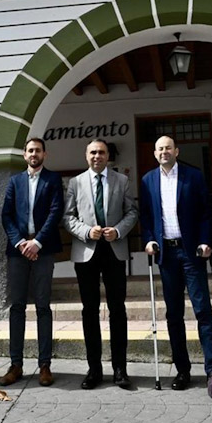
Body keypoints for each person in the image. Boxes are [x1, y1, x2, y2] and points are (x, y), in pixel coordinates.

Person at [140, 135, 212, 402]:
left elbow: (206, 212)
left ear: (176, 151)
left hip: (192, 252)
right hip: (166, 253)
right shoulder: (147, 181)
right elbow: (146, 216)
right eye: (159, 148)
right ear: (154, 153)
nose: (164, 151)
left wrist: (206, 241)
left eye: (168, 147)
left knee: (203, 310)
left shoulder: (194, 176)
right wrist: (148, 240)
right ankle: (182, 370)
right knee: (174, 315)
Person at [63, 138, 138, 389]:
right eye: (93, 152)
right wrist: (85, 231)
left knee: (118, 310)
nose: (97, 156)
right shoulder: (75, 183)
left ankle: (120, 369)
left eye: (102, 152)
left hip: (114, 251)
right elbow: (68, 216)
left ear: (108, 156)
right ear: (86, 156)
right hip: (87, 252)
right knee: (89, 311)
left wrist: (118, 231)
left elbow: (132, 212)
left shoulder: (122, 181)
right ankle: (94, 368)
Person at [0, 137, 64, 387]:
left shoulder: (53, 179)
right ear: (24, 155)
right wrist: (20, 243)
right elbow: (7, 215)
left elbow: (55, 212)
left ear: (44, 154)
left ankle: (44, 364)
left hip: (43, 250)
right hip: (17, 252)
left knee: (43, 306)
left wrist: (36, 243)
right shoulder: (15, 181)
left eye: (38, 150)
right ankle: (16, 364)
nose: (34, 154)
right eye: (30, 151)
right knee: (17, 307)